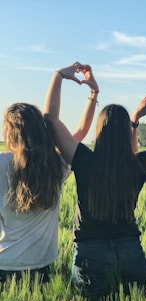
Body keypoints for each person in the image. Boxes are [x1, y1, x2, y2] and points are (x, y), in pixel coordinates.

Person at [43, 62, 146, 301]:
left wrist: (58, 76)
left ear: (99, 131)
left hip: (90, 253)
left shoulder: (84, 159)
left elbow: (50, 120)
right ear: (125, 132)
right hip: (131, 251)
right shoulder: (139, 164)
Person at [0, 64, 99, 283]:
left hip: (4, 262)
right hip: (40, 264)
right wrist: (92, 93)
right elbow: (80, 132)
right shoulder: (55, 165)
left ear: (9, 133)